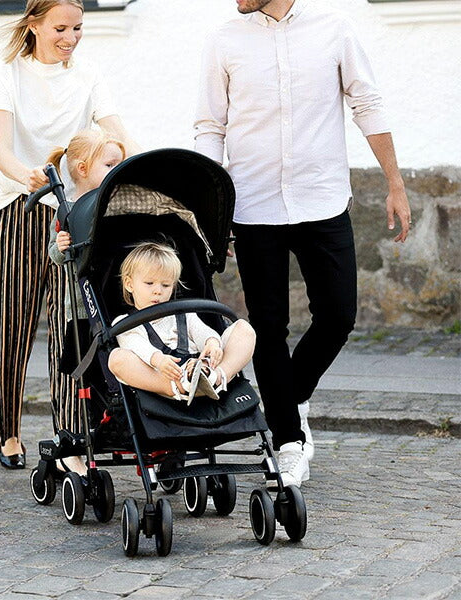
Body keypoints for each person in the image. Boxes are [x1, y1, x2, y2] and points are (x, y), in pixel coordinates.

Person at [194, 0, 411, 487]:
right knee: (268, 326)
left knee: (338, 315)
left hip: (322, 197)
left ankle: (291, 396)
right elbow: (210, 127)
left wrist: (395, 183)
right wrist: (212, 210)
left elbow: (367, 103)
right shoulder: (224, 40)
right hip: (254, 204)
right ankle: (288, 442)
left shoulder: (334, 29)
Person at [0, 0, 137, 469]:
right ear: (34, 24)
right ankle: (9, 432)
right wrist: (26, 175)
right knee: (12, 322)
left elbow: (116, 131)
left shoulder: (88, 75)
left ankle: (70, 437)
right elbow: (0, 149)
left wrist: (143, 166)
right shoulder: (7, 74)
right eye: (61, 28)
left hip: (75, 214)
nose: (71, 38)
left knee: (72, 326)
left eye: (78, 28)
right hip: (23, 208)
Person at [47, 130, 127, 474]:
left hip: (116, 305)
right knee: (84, 379)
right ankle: (74, 446)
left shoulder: (118, 204)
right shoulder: (68, 211)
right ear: (82, 168)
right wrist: (60, 246)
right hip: (83, 311)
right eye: (110, 165)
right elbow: (54, 255)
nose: (116, 170)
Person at [108, 242, 256, 404]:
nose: (158, 291)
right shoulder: (124, 323)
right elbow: (137, 345)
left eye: (165, 285)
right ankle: (178, 386)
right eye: (149, 283)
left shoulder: (184, 314)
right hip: (163, 377)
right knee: (117, 359)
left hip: (200, 366)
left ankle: (218, 376)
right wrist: (158, 360)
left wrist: (212, 343)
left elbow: (201, 331)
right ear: (129, 284)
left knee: (244, 329)